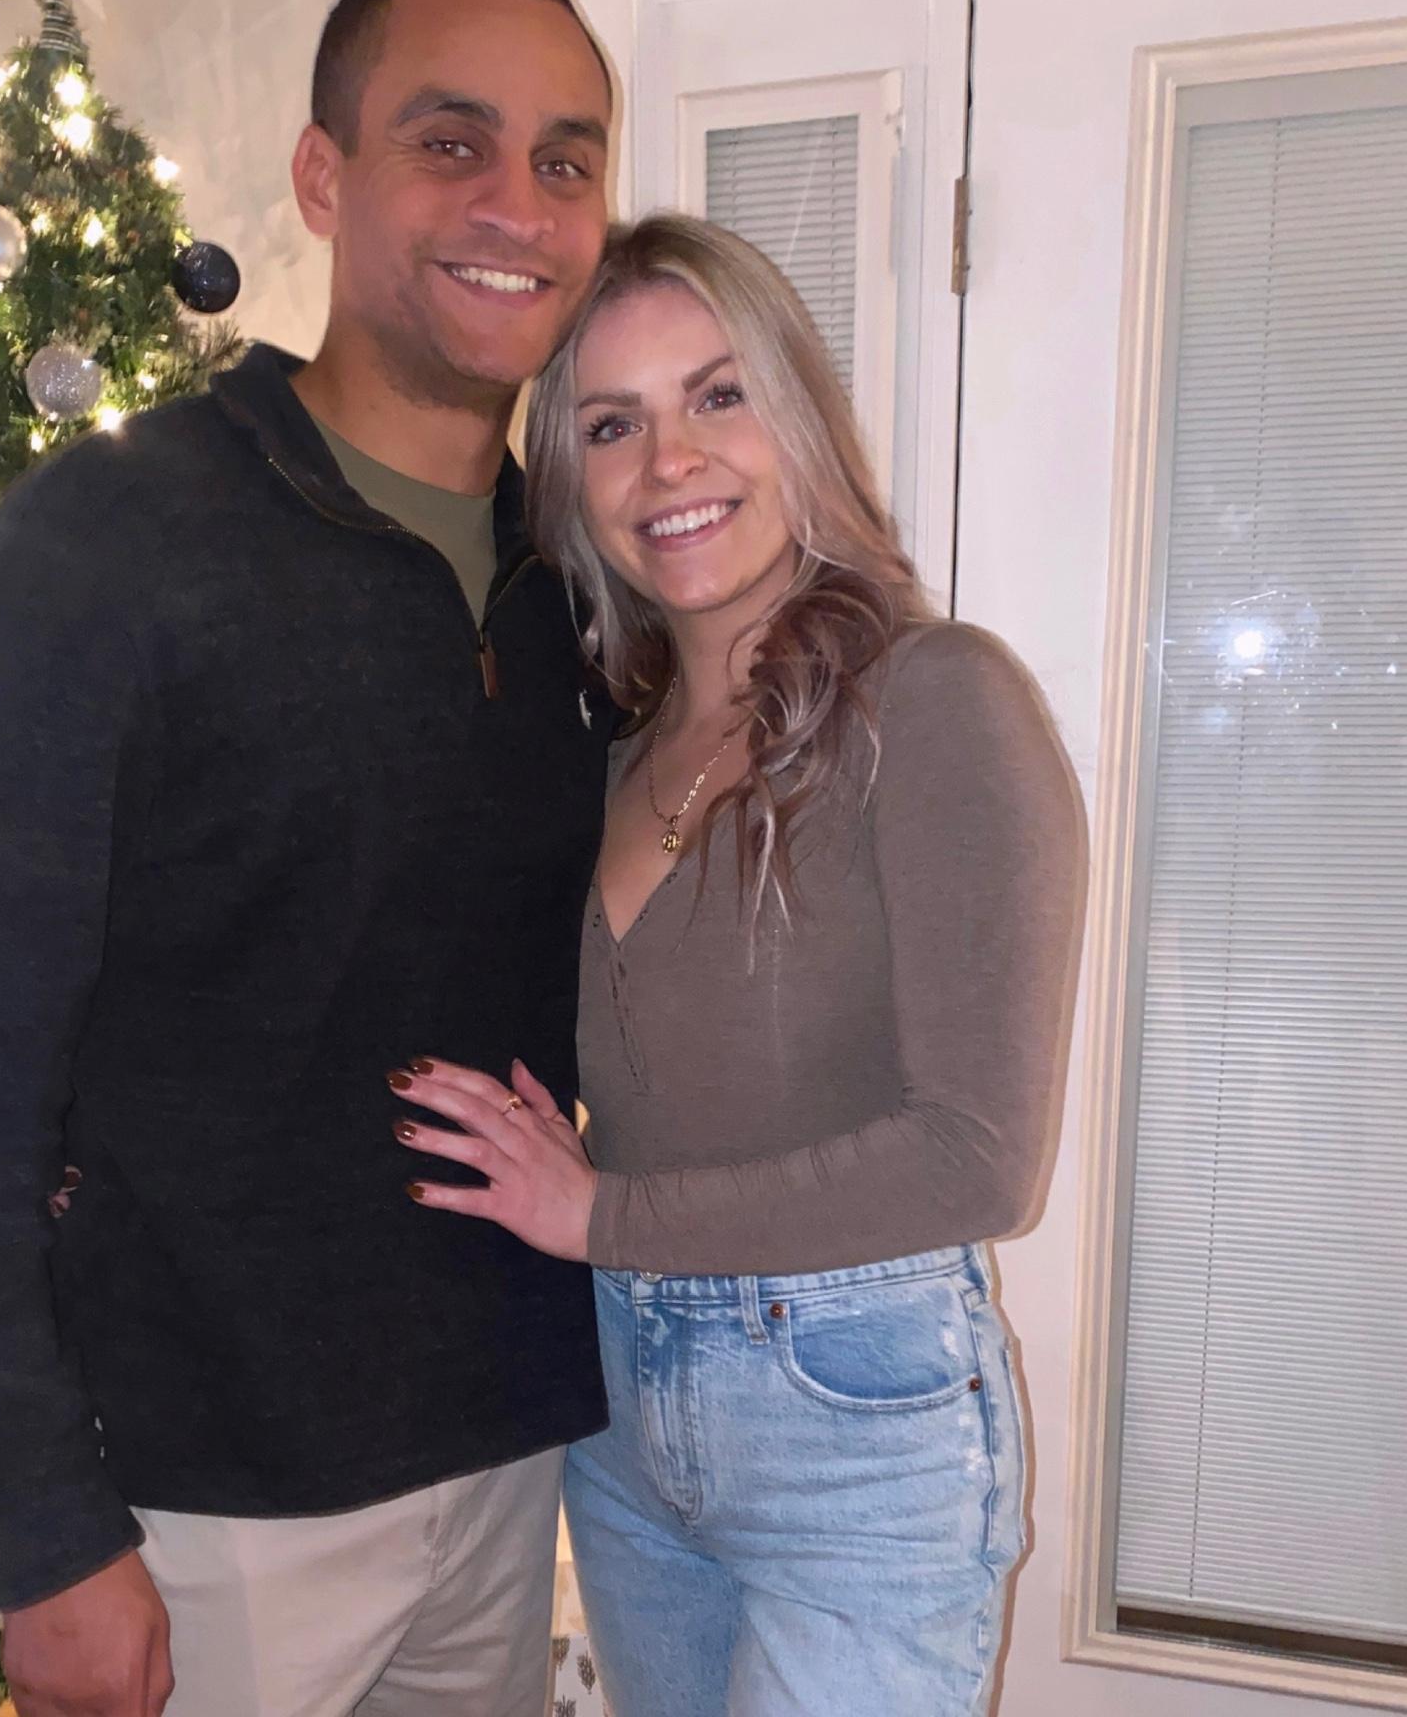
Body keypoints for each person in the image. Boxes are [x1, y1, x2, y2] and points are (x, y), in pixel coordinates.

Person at [0, 0, 614, 1717]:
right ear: (325, 177)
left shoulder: (588, 580)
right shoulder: (112, 543)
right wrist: (49, 1538)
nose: (519, 204)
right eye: (452, 142)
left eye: (566, 160)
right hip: (206, 1514)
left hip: (508, 1459)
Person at [389, 213, 1087, 1715]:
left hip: (856, 1423)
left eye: (720, 395)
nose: (672, 463)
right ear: (573, 484)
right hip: (619, 1415)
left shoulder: (938, 701)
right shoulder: (613, 751)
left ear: (799, 417)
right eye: (612, 425)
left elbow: (978, 1160)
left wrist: (599, 1212)